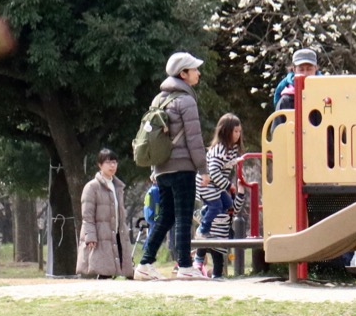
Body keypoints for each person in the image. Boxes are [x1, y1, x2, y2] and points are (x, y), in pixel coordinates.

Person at [134, 52, 210, 280]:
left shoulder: (159, 99)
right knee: (184, 215)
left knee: (165, 217)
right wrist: (203, 169)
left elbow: (151, 136)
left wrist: (153, 169)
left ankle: (145, 263)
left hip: (162, 169)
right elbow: (194, 140)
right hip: (182, 167)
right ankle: (186, 267)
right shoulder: (186, 101)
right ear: (183, 74)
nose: (198, 72)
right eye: (194, 69)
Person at [193, 113, 245, 277]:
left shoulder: (232, 149)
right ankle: (204, 228)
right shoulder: (219, 149)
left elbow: (226, 166)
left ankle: (204, 219)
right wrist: (228, 185)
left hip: (217, 186)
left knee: (228, 204)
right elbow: (214, 172)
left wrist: (236, 163)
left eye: (239, 131)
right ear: (226, 132)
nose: (238, 135)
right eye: (235, 131)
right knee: (216, 205)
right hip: (206, 183)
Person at [76, 148, 130, 278]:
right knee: (102, 272)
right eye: (108, 162)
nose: (112, 165)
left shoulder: (118, 187)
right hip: (101, 234)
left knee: (120, 269)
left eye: (115, 162)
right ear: (100, 165)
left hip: (116, 232)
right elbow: (87, 215)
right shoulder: (92, 187)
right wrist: (90, 236)